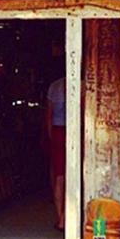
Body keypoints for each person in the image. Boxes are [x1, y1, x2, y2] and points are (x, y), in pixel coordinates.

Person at [46, 76, 66, 230]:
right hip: (73, 130)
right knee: (73, 176)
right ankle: (66, 217)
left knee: (59, 176)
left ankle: (60, 218)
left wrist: (50, 135)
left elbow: (49, 115)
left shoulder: (54, 86)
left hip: (58, 130)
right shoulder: (82, 83)